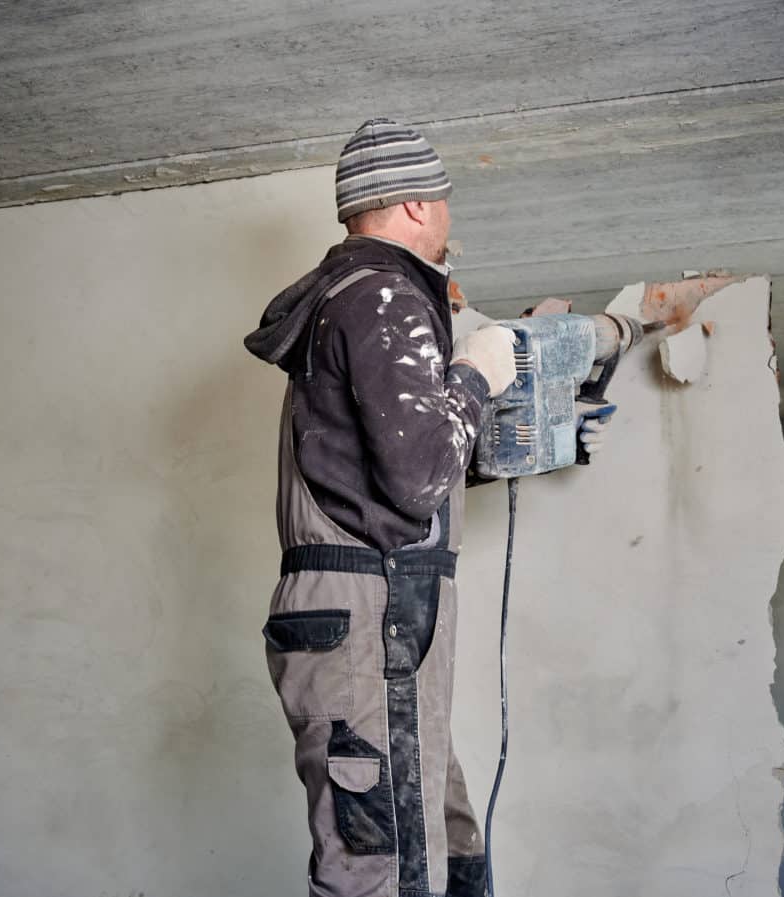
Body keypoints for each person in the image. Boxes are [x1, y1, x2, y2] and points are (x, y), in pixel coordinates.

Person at [244, 118, 610, 897]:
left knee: (442, 838)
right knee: (386, 869)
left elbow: (387, 477)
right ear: (414, 206)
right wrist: (475, 375)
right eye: (443, 201)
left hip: (370, 615)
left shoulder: (353, 299)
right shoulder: (384, 293)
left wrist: (540, 442)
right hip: (368, 621)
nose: (449, 217)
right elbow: (414, 478)